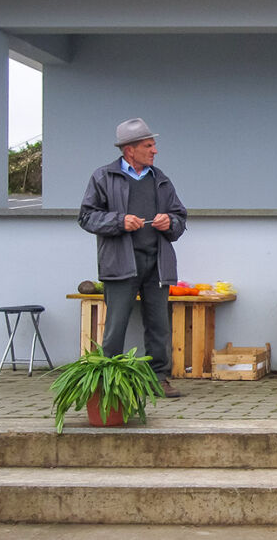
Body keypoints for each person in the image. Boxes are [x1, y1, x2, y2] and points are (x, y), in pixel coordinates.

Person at [78, 118, 187, 398]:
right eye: (149, 146)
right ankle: (107, 383)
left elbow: (180, 217)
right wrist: (119, 222)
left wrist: (170, 222)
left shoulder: (160, 179)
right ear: (130, 150)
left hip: (157, 264)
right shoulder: (104, 177)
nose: (155, 151)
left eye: (153, 145)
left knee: (159, 324)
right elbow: (87, 217)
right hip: (121, 263)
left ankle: (158, 379)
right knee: (116, 325)